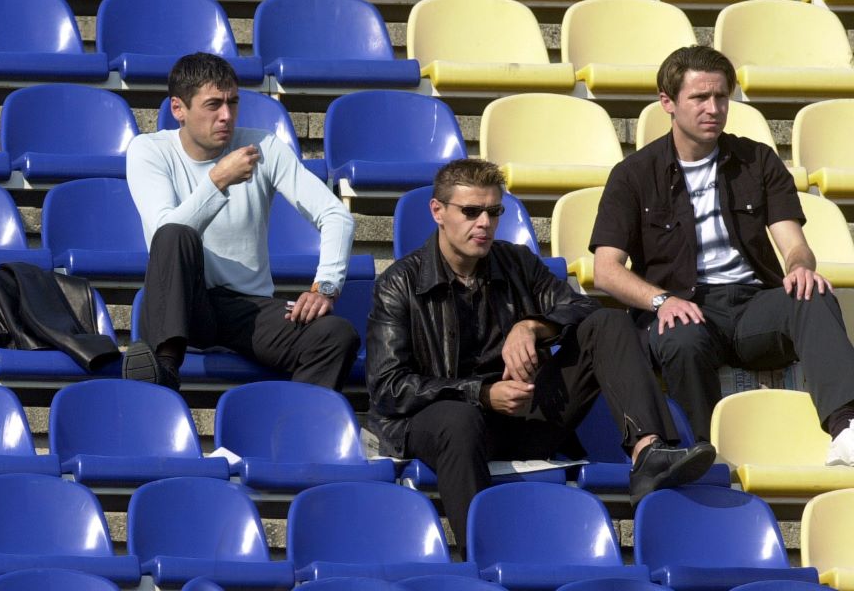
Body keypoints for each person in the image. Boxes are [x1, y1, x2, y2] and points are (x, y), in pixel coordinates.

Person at [365, 158, 715, 550]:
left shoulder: (517, 261)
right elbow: (388, 387)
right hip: (449, 424)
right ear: (438, 212)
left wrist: (532, 326)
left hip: (523, 414)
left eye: (494, 212)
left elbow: (582, 309)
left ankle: (648, 451)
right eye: (471, 211)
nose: (484, 223)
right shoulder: (400, 283)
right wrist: (480, 393)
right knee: (458, 420)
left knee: (610, 323)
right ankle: (484, 556)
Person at [591, 45, 854, 464]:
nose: (713, 108)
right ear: (668, 103)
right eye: (699, 98)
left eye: (721, 97)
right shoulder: (634, 174)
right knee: (681, 335)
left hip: (752, 306)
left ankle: (846, 428)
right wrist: (661, 300)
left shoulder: (757, 160)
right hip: (680, 306)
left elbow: (795, 245)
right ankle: (699, 451)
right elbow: (605, 271)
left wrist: (800, 268)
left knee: (813, 293)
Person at [123, 52, 360, 391]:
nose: (226, 116)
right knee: (175, 234)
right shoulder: (149, 150)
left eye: (233, 103)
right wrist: (218, 181)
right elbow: (165, 234)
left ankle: (293, 431)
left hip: (248, 308)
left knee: (336, 335)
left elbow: (336, 215)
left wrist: (326, 286)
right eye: (213, 105)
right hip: (184, 304)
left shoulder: (263, 146)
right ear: (179, 109)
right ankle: (165, 372)